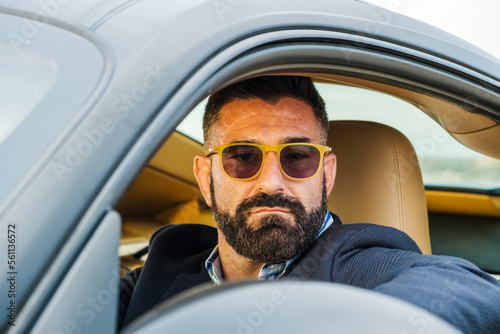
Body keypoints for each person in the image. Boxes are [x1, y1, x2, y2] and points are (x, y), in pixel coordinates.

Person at [119, 76, 500, 332]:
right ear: (206, 178)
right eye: (243, 156)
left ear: (326, 175)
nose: (271, 181)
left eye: (297, 156)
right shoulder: (164, 263)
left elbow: (465, 288)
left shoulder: (353, 261)